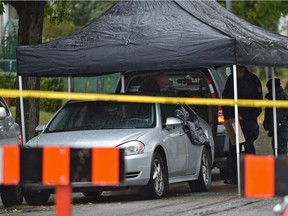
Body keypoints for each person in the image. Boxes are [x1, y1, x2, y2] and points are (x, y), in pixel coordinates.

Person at [222, 65, 263, 184]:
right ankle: (234, 176)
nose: (238, 73)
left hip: (249, 121)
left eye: (239, 71)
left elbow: (257, 103)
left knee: (249, 147)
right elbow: (225, 99)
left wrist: (245, 116)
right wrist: (231, 115)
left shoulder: (253, 80)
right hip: (234, 120)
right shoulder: (231, 80)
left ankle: (253, 174)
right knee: (234, 149)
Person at [263, 78, 288, 156]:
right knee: (279, 148)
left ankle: (282, 167)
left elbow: (275, 115)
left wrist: (268, 126)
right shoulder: (282, 96)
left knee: (280, 149)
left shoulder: (276, 98)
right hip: (281, 126)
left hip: (280, 126)